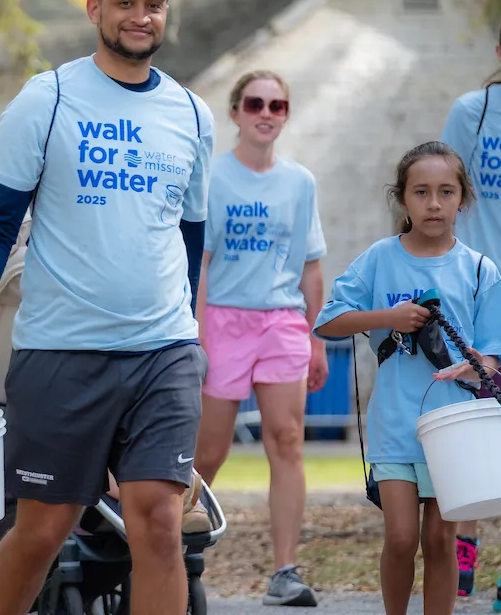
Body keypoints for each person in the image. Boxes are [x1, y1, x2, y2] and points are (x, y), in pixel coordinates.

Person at [0, 0, 215, 615]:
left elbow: (189, 233)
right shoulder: (47, 98)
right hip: (63, 351)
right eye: (124, 2)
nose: (140, 17)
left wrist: (191, 329)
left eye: (153, 4)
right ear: (95, 10)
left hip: (162, 351)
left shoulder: (193, 115)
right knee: (43, 529)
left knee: (160, 525)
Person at [314, 141, 501, 615]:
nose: (434, 203)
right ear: (403, 198)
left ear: (463, 198)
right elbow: (328, 321)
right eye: (421, 192)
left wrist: (475, 364)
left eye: (446, 191)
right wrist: (388, 316)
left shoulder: (481, 270)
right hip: (394, 423)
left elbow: (494, 354)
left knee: (440, 538)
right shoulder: (379, 259)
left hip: (455, 429)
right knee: (401, 538)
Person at [191, 70, 326, 606]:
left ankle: (285, 572)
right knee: (209, 450)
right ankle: (174, 553)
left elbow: (312, 268)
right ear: (236, 113)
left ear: (286, 114)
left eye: (277, 105)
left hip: (282, 321)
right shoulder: (214, 177)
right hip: (222, 321)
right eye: (255, 104)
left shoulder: (300, 182)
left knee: (286, 441)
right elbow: (198, 264)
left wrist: (317, 339)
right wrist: (195, 337)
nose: (266, 113)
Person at [440, 13, 501, 603]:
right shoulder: (473, 112)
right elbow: (445, 188)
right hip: (481, 290)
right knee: (473, 427)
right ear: (500, 50)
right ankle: (463, 555)